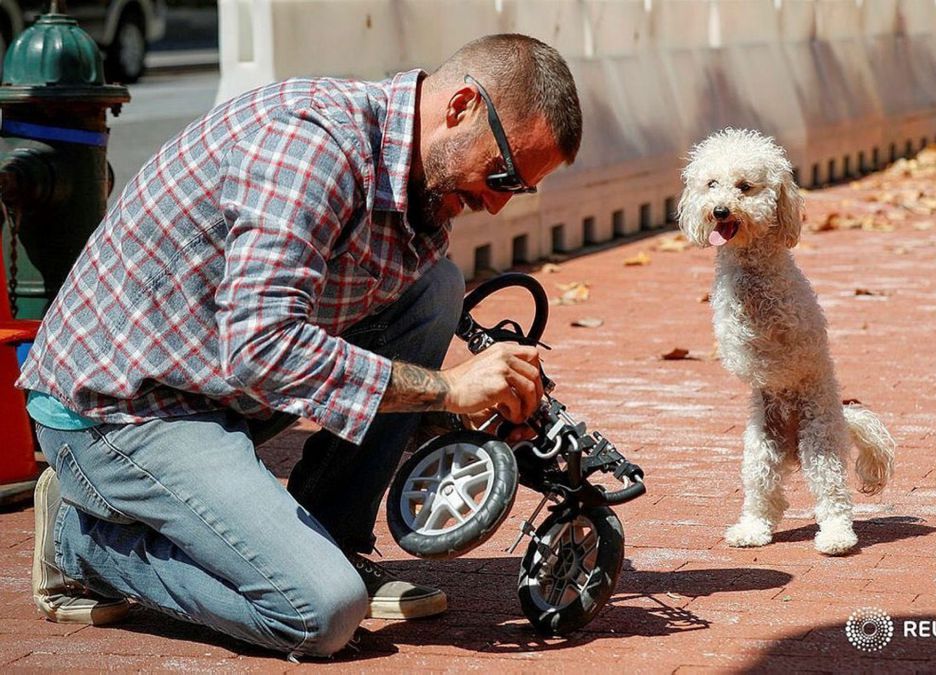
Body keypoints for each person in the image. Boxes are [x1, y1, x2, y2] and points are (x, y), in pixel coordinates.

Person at [17, 33, 582, 658]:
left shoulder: (423, 180)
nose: (498, 205)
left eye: (519, 190)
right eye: (502, 175)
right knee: (322, 611)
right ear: (461, 108)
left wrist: (469, 417)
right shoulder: (311, 145)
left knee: (436, 288)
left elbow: (337, 364)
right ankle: (84, 544)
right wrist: (448, 389)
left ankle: (330, 535)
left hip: (213, 382)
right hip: (122, 410)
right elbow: (263, 347)